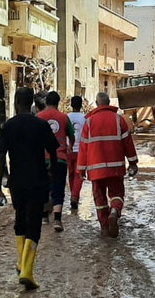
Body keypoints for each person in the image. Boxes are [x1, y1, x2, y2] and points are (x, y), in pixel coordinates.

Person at [0, 87, 60, 291]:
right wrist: (52, 184)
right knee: (34, 224)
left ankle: (21, 263)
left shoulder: (8, 126)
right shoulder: (40, 125)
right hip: (38, 181)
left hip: (17, 183)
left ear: (15, 102)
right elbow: (54, 154)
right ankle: (27, 271)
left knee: (20, 221)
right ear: (31, 102)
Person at [77, 92, 138, 238]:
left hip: (95, 169)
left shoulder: (89, 122)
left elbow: (83, 147)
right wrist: (133, 163)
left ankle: (104, 227)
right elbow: (127, 143)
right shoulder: (118, 120)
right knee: (117, 194)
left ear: (97, 104)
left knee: (99, 198)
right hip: (115, 167)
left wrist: (81, 168)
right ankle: (114, 212)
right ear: (109, 102)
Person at [36, 90, 74, 232]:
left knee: (43, 187)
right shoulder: (64, 117)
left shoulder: (38, 116)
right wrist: (69, 147)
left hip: (41, 159)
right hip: (60, 159)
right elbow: (71, 135)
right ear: (58, 103)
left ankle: (44, 216)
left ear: (46, 102)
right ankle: (57, 219)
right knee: (58, 187)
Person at [66, 95, 87, 211]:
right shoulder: (84, 119)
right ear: (81, 105)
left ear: (71, 105)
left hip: (68, 150)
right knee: (79, 175)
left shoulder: (66, 117)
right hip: (80, 151)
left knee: (71, 174)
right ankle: (75, 196)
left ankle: (73, 196)